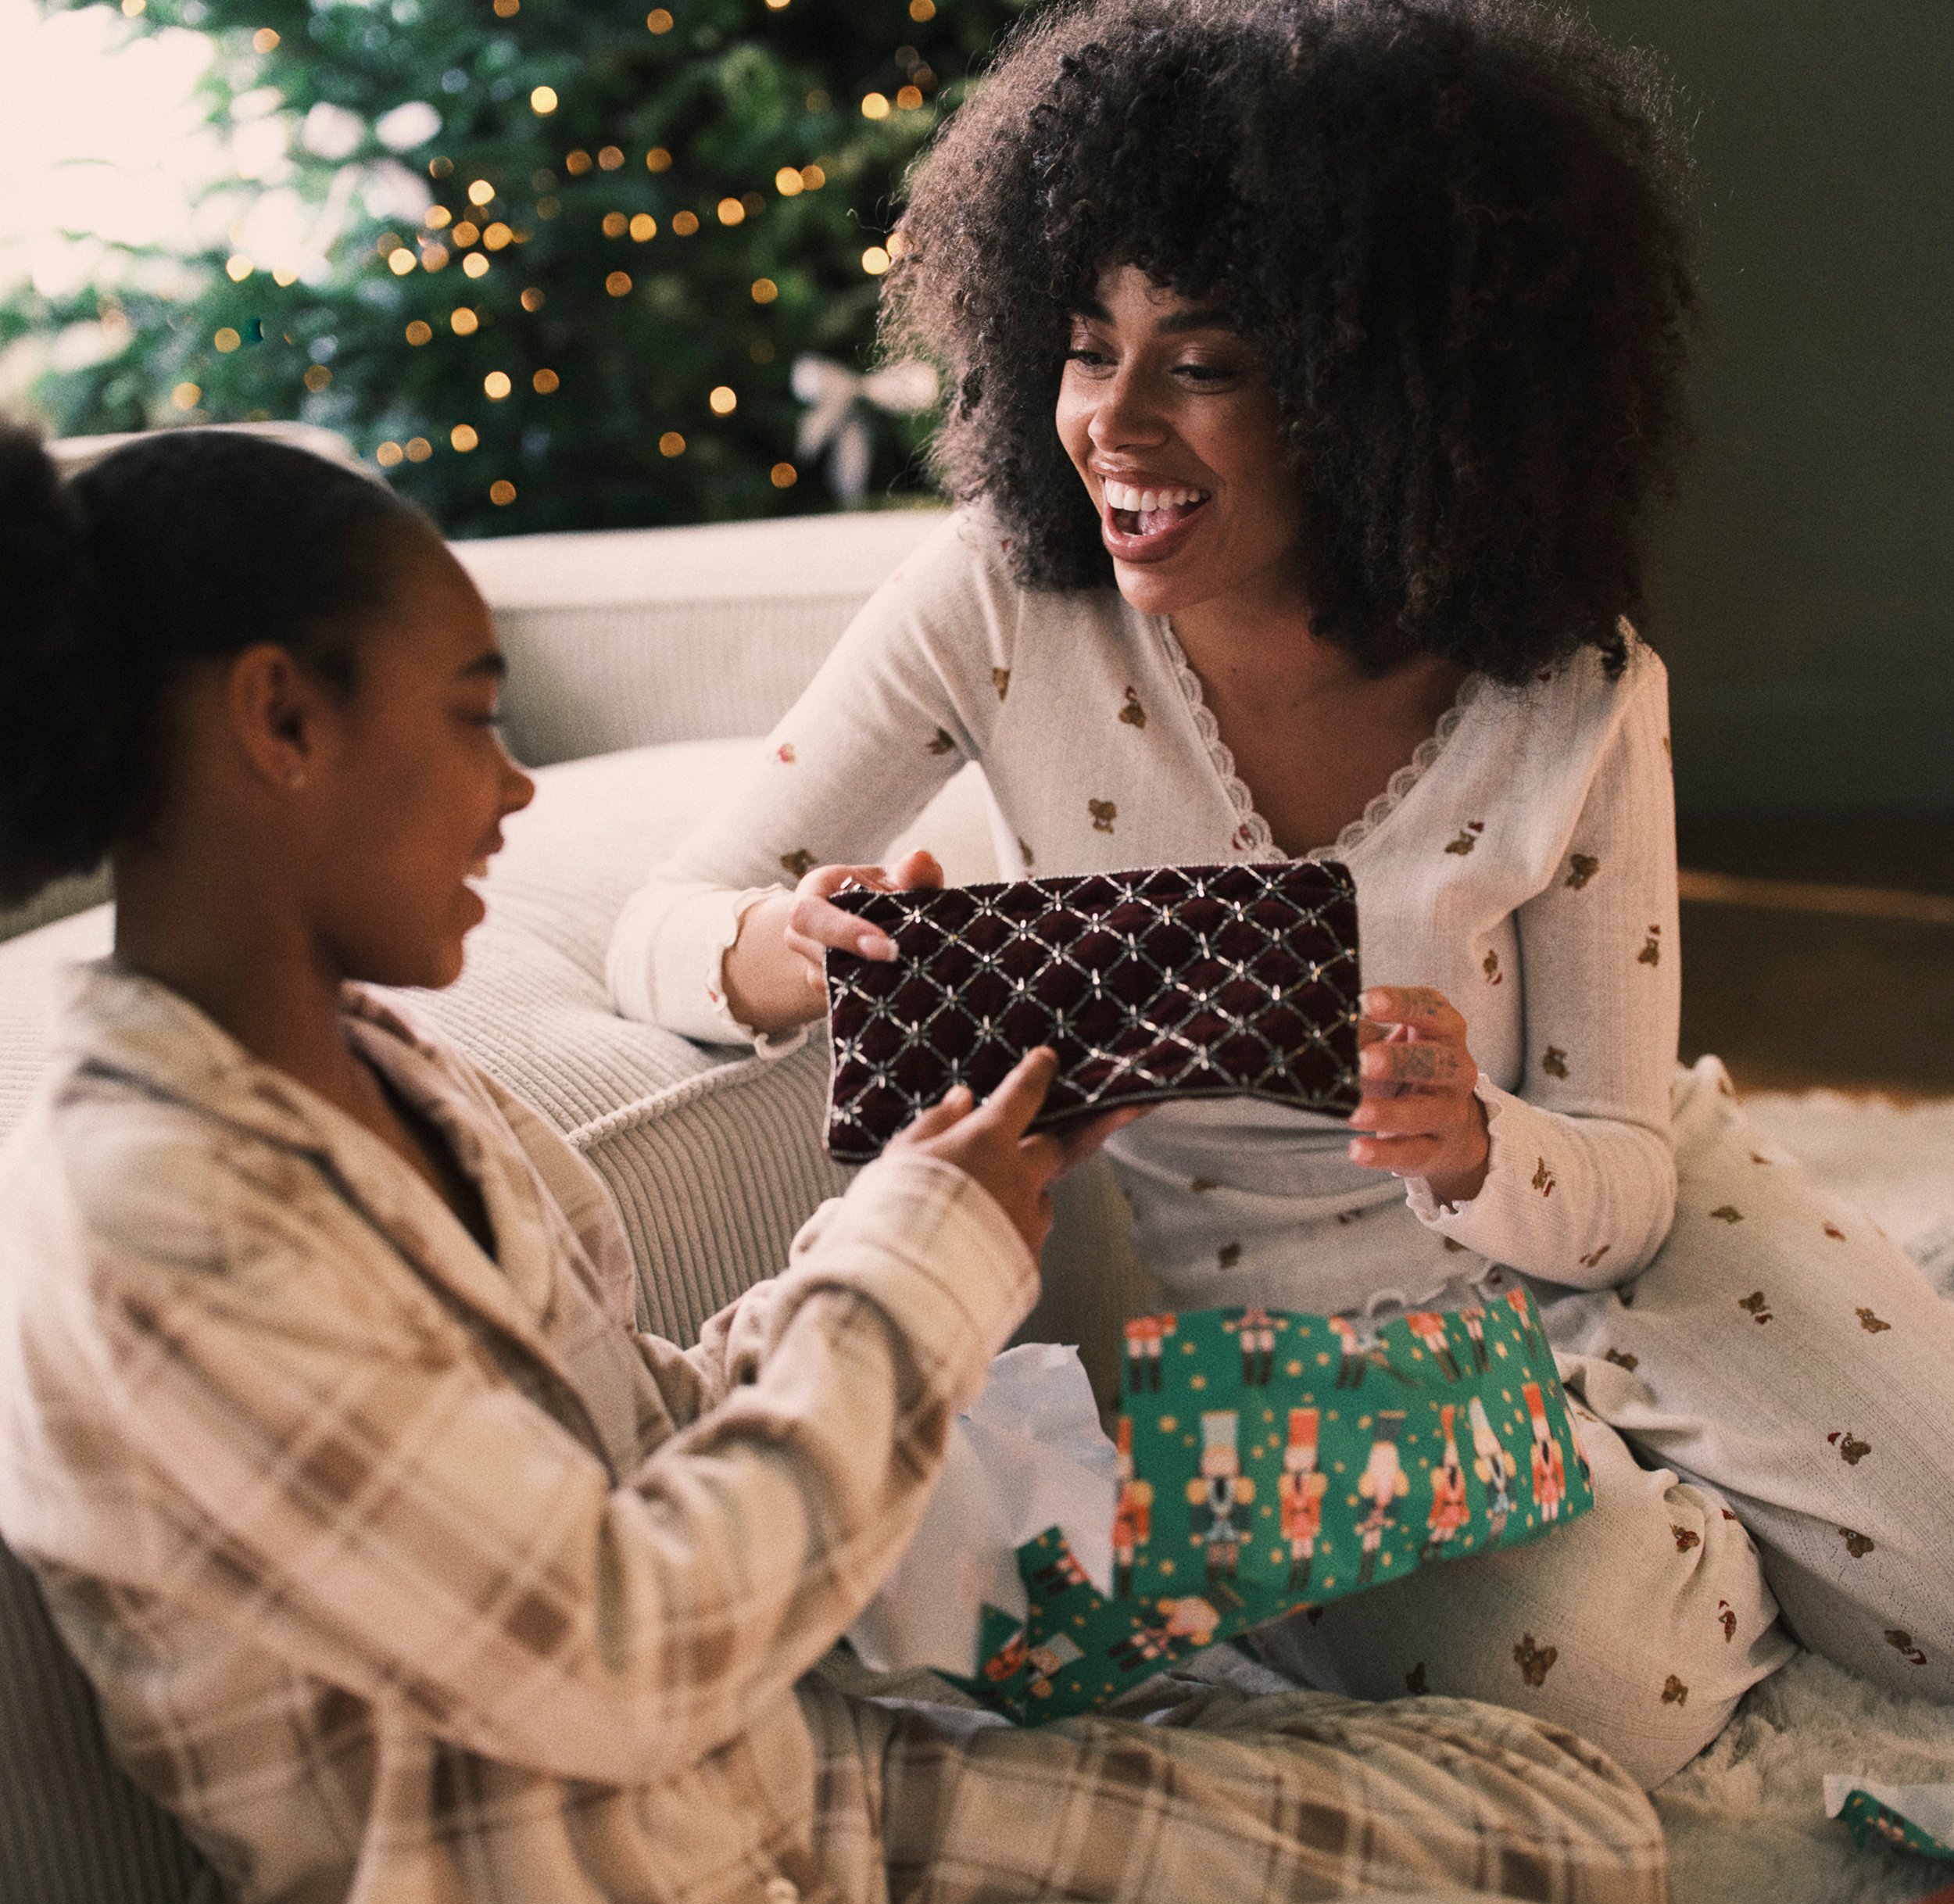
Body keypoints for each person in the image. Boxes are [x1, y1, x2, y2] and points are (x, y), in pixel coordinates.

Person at [0, 426, 1666, 1904]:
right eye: (470, 717)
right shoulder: (153, 1223)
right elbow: (619, 1650)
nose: (513, 783)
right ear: (281, 719)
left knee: (1573, 1831)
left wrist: (923, 1204)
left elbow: (643, 1433)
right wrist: (918, 1263)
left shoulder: (408, 1078)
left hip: (807, 1829)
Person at [609, 0, 1954, 1789]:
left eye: (1208, 360)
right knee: (1614, 1696)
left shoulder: (1564, 688)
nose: (1113, 425)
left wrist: (1476, 1143)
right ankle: (1716, 1456)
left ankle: (1794, 1366)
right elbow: (661, 921)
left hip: (1615, 1231)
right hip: (1318, 1353)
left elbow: (1623, 1172)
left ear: (1387, 382)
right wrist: (786, 952)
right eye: (1087, 347)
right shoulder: (995, 606)